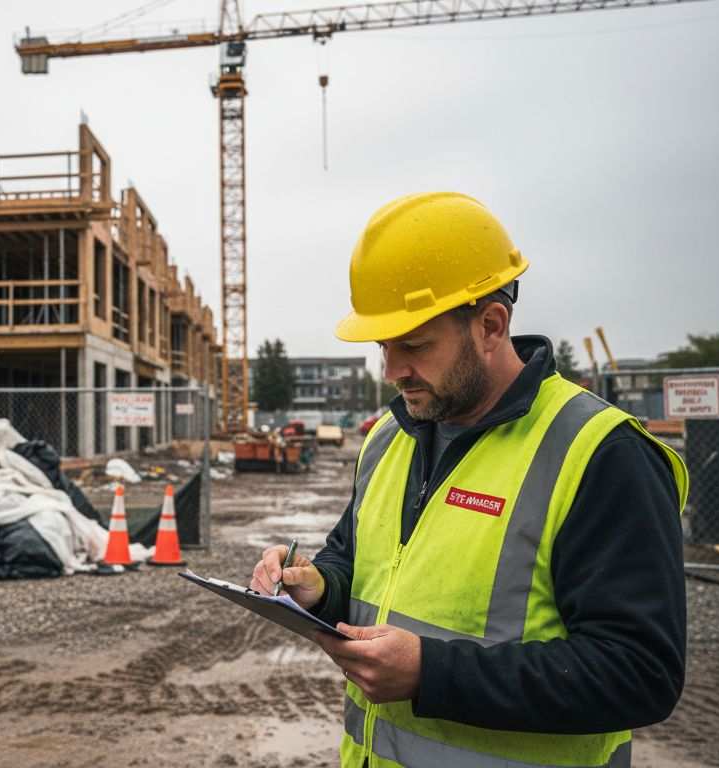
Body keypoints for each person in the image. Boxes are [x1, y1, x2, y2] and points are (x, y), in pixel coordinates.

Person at [249, 192, 687, 768]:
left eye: (415, 345)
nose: (394, 370)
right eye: (385, 347)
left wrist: (433, 673)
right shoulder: (390, 436)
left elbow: (639, 672)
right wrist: (317, 588)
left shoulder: (602, 453)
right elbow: (351, 560)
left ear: (491, 325)